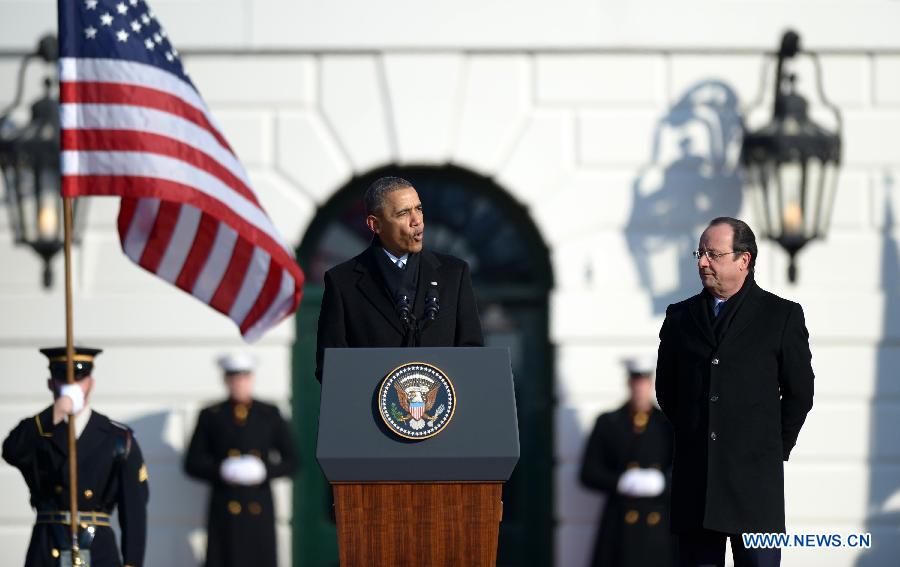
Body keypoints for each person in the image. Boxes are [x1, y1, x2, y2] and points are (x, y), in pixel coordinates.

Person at [655, 217, 815, 567]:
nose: (702, 262)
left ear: (744, 260)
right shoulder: (679, 316)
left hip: (755, 488)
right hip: (697, 485)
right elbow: (667, 392)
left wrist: (772, 449)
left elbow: (800, 394)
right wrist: (698, 436)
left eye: (713, 254)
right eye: (700, 253)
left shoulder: (781, 316)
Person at [315, 176, 484, 381]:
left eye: (419, 209)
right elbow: (330, 367)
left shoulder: (454, 274)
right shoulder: (342, 282)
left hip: (445, 409)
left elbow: (473, 355)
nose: (417, 221)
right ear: (374, 224)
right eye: (403, 213)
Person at [2, 347, 149, 567]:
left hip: (98, 550)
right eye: (63, 379)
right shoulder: (39, 431)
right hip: (48, 546)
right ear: (51, 383)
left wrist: (132, 564)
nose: (72, 387)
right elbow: (12, 451)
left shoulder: (117, 438)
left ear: (91, 383)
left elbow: (134, 512)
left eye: (79, 379)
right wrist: (54, 413)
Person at [184, 352, 298, 567]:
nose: (239, 383)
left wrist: (264, 471)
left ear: (251, 379)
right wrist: (221, 470)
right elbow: (192, 463)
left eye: (244, 377)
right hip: (225, 508)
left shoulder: (269, 413)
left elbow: (292, 461)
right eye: (233, 378)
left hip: (259, 507)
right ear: (225, 380)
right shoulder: (211, 414)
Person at [580, 356, 675, 567]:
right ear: (628, 383)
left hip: (659, 526)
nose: (640, 387)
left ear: (651, 384)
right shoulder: (608, 422)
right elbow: (588, 473)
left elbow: (685, 473)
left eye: (644, 381)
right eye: (635, 381)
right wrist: (620, 482)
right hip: (620, 526)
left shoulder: (668, 425)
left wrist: (664, 483)